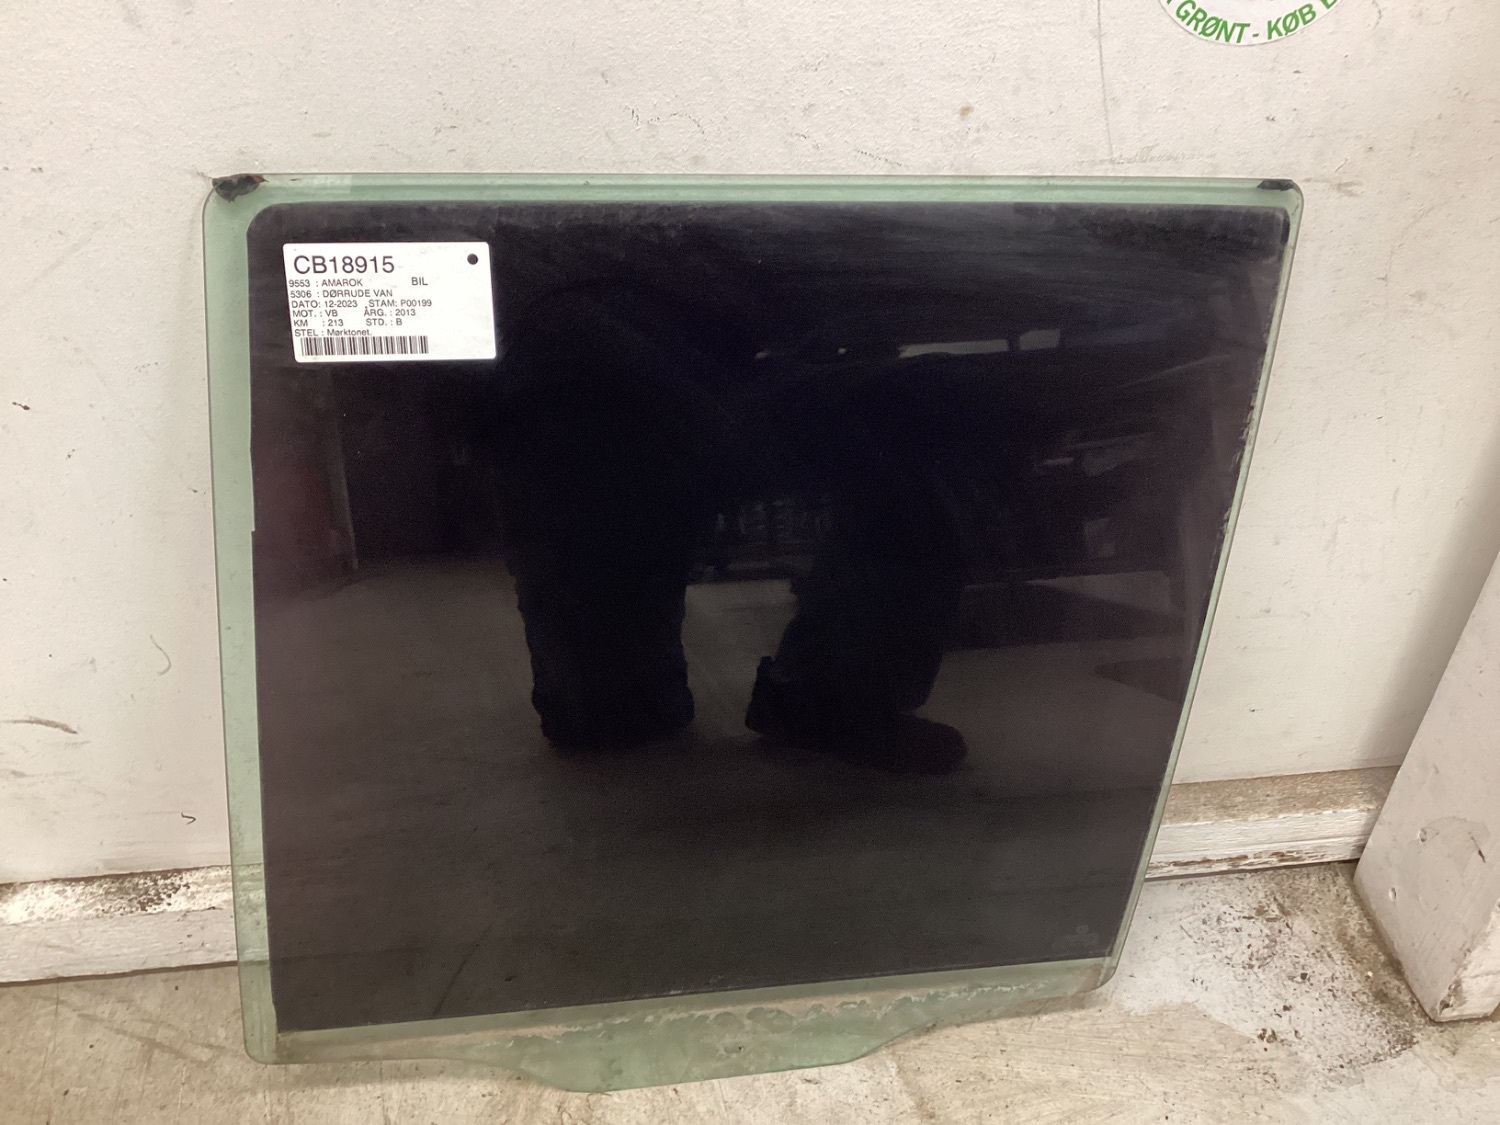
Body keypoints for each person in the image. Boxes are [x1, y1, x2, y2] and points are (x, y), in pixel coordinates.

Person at [490, 281, 969, 774]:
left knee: (920, 404)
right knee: (615, 722)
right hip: (578, 403)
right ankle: (822, 692)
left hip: (623, 384)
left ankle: (828, 694)